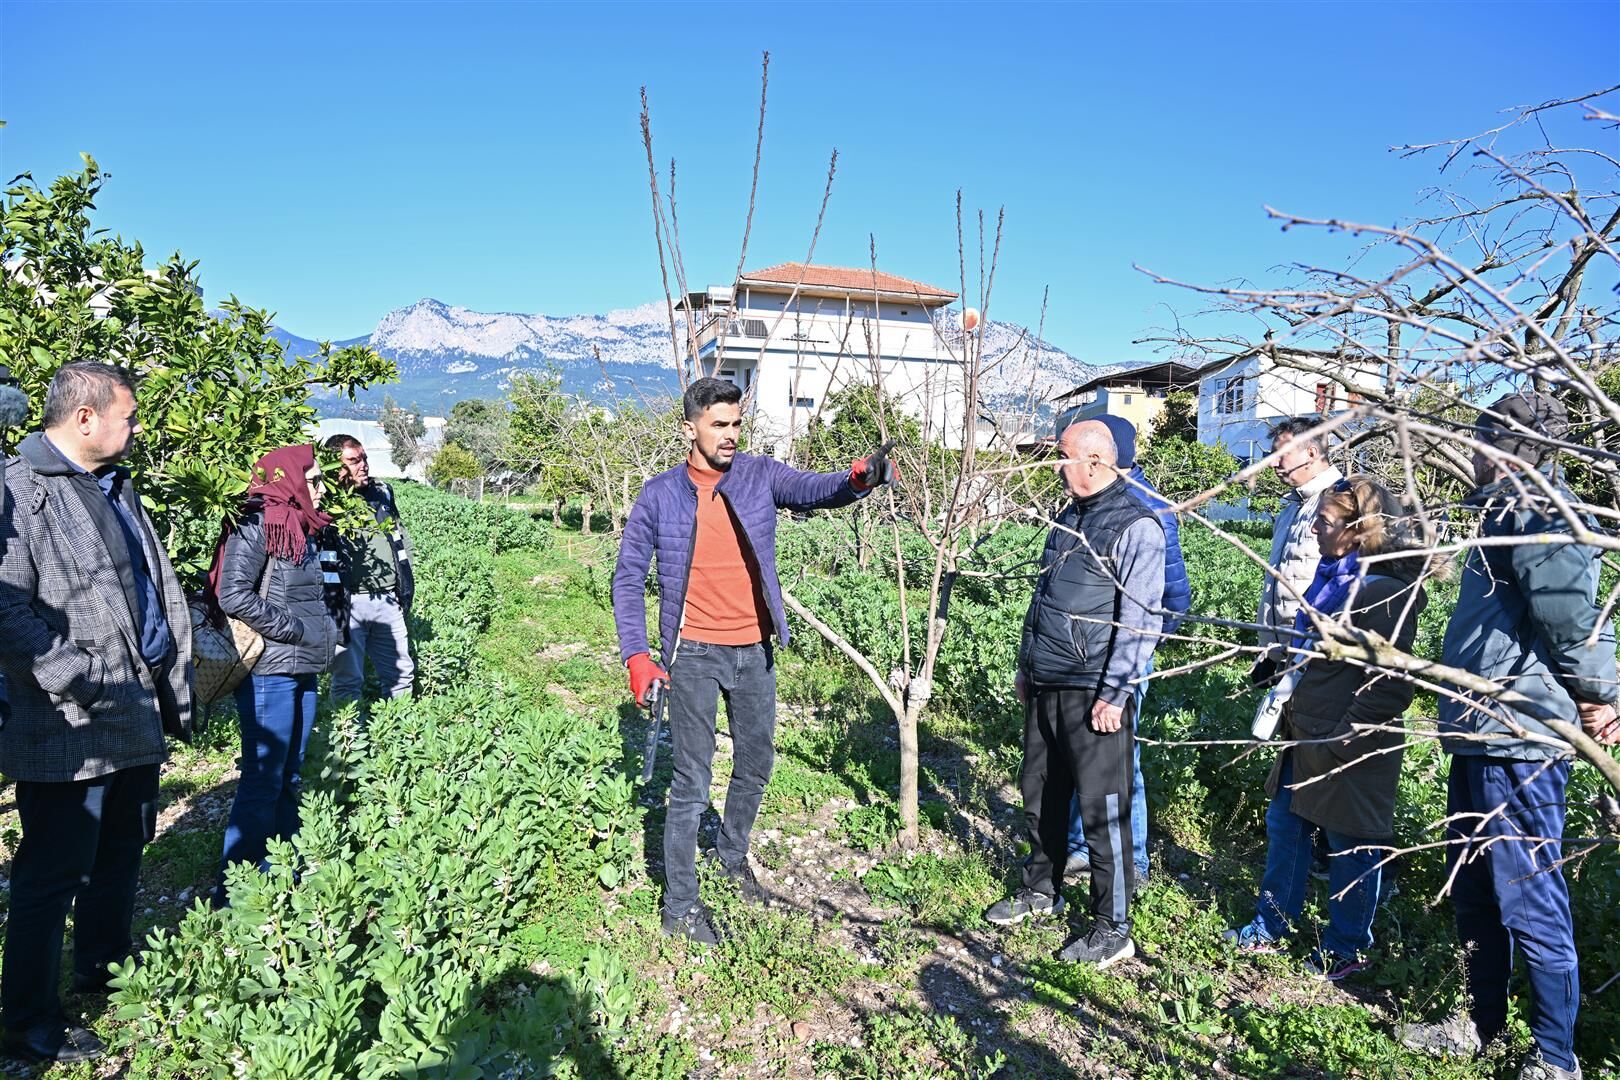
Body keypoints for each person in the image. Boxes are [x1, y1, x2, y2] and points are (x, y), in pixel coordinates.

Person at [611, 377, 893, 944]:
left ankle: (731, 856)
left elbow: (818, 489)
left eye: (737, 423)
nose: (731, 435)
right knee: (692, 781)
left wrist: (857, 479)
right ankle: (680, 907)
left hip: (755, 650)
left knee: (756, 764)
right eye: (719, 424)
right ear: (689, 426)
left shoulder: (760, 475)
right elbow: (627, 578)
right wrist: (639, 655)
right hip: (691, 653)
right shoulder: (659, 495)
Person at [1417, 392, 1619, 1080]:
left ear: (1506, 446)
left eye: (1478, 441)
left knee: (1530, 898)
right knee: (1476, 887)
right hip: (1480, 731)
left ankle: (1556, 1058)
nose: (1469, 453)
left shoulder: (1545, 514)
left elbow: (1575, 624)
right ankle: (1478, 1023)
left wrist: (1603, 696)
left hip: (1520, 738)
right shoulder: (1502, 511)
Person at [0, 362, 194, 1065]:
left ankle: (103, 972)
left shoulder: (112, 483)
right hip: (69, 720)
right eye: (131, 416)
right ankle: (29, 1023)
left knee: (120, 849)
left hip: (134, 704)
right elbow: (4, 603)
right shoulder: (19, 490)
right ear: (85, 418)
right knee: (52, 873)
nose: (137, 428)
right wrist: (72, 675)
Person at [1223, 475, 1428, 980]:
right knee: (1286, 827)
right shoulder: (1332, 574)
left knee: (1350, 845)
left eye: (1325, 521)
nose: (1313, 528)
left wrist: (1346, 732)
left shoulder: (1383, 592)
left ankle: (1347, 947)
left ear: (1359, 532)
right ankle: (1271, 925)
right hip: (1305, 728)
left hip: (1349, 742)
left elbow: (1392, 682)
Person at [988, 420, 1164, 970]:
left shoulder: (1137, 526)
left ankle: (1113, 925)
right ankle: (1042, 888)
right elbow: (1043, 599)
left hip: (1094, 691)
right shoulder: (1068, 517)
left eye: (1062, 457)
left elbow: (1141, 621)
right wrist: (1027, 666)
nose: (1055, 466)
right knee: (1041, 791)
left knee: (1102, 807)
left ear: (1094, 461)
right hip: (1048, 680)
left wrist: (1115, 692)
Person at [1061, 413, 1190, 885]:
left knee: (1119, 760)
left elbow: (1165, 595)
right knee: (1091, 756)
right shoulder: (1095, 499)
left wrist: (1137, 650)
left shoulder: (1142, 508)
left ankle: (1132, 862)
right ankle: (1082, 846)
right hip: (1091, 650)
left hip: (1123, 648)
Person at [209, 444, 341, 906]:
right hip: (270, 669)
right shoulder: (259, 523)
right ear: (290, 478)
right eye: (314, 477)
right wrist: (295, 630)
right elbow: (234, 595)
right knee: (264, 776)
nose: (321, 487)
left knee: (289, 772)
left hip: (300, 664)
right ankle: (235, 887)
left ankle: (283, 866)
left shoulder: (301, 525)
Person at [323, 434, 415, 703]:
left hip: (387, 598)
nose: (363, 465)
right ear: (336, 467)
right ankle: (348, 738)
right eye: (353, 461)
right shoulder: (326, 502)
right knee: (348, 679)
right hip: (347, 603)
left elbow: (400, 539)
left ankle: (399, 734)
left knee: (401, 674)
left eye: (364, 458)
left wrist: (404, 585)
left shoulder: (381, 492)